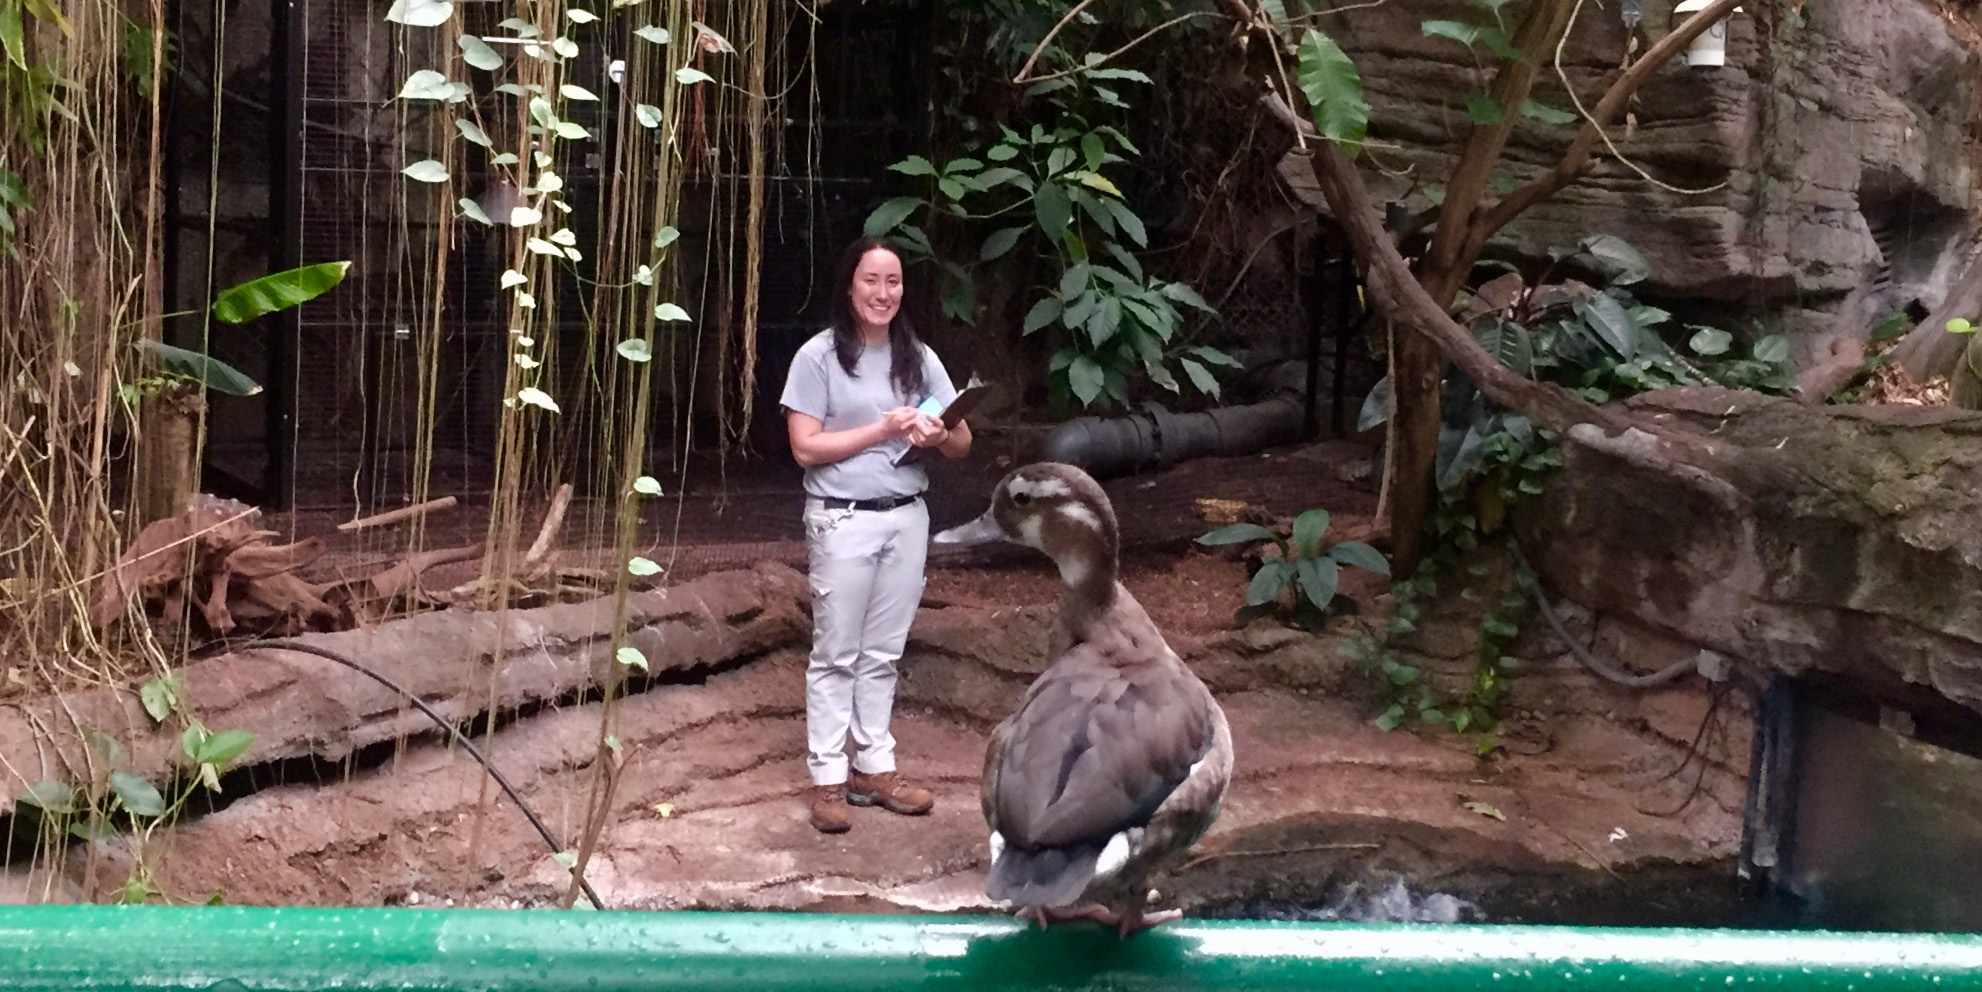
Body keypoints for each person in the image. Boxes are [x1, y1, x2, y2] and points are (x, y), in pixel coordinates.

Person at [779, 236, 974, 834]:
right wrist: (881, 430)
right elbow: (804, 447)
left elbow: (962, 444)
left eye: (892, 282)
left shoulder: (916, 356)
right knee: (836, 651)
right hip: (842, 517)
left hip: (906, 512)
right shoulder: (818, 357)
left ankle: (875, 767)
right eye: (871, 280)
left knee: (884, 651)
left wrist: (937, 435)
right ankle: (828, 777)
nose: (882, 293)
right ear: (849, 285)